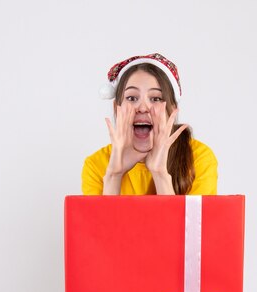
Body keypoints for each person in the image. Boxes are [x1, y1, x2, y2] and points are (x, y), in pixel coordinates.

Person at [82, 53, 218, 195]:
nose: (142, 107)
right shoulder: (96, 165)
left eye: (156, 98)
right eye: (132, 97)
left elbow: (190, 219)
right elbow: (102, 218)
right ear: (117, 107)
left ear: (172, 110)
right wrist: (114, 175)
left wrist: (159, 173)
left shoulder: (199, 158)